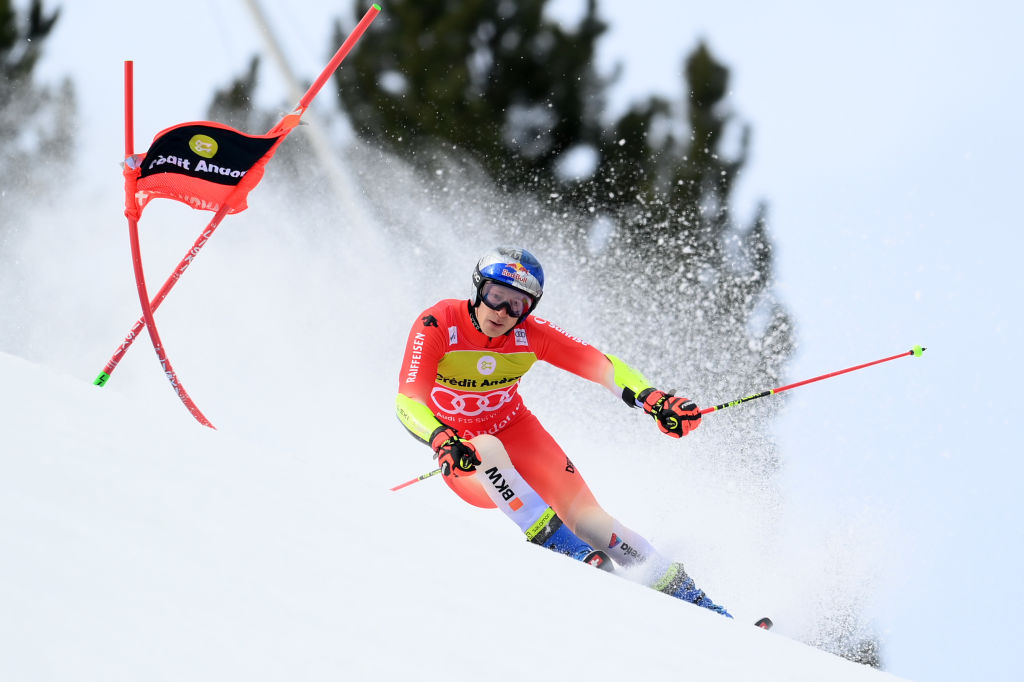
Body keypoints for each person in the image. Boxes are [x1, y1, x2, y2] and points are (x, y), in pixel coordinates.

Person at [395, 246, 730, 617]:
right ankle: (569, 552)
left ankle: (699, 604)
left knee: (593, 522)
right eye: (495, 297)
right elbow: (408, 400)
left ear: (530, 308)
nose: (502, 313)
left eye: (517, 306)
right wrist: (441, 438)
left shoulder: (530, 335)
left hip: (518, 432)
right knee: (486, 447)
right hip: (463, 454)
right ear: (479, 289)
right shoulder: (439, 324)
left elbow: (599, 364)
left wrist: (652, 399)